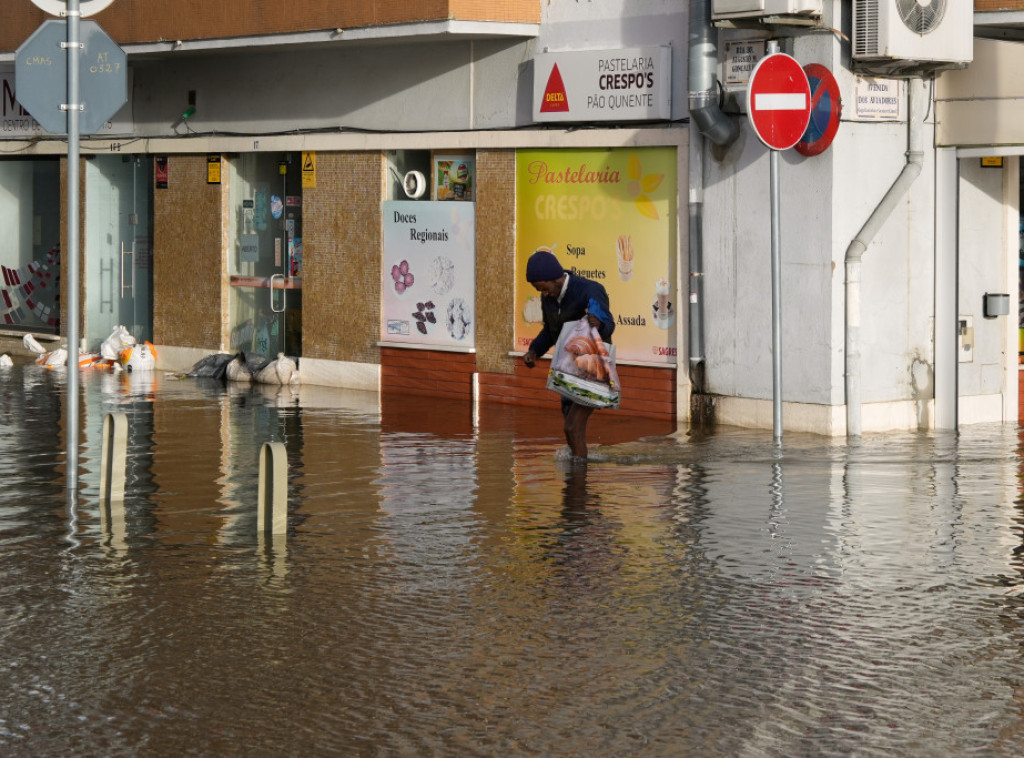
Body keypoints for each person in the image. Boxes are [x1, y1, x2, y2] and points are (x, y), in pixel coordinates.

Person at [522, 249, 615, 459]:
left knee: (571, 427)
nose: (543, 294)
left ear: (555, 278)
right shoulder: (548, 298)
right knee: (571, 425)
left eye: (544, 289)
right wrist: (535, 350)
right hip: (567, 369)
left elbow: (609, 326)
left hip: (592, 369)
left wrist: (599, 324)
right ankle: (579, 479)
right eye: (539, 290)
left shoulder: (589, 290)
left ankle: (578, 479)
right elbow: (550, 330)